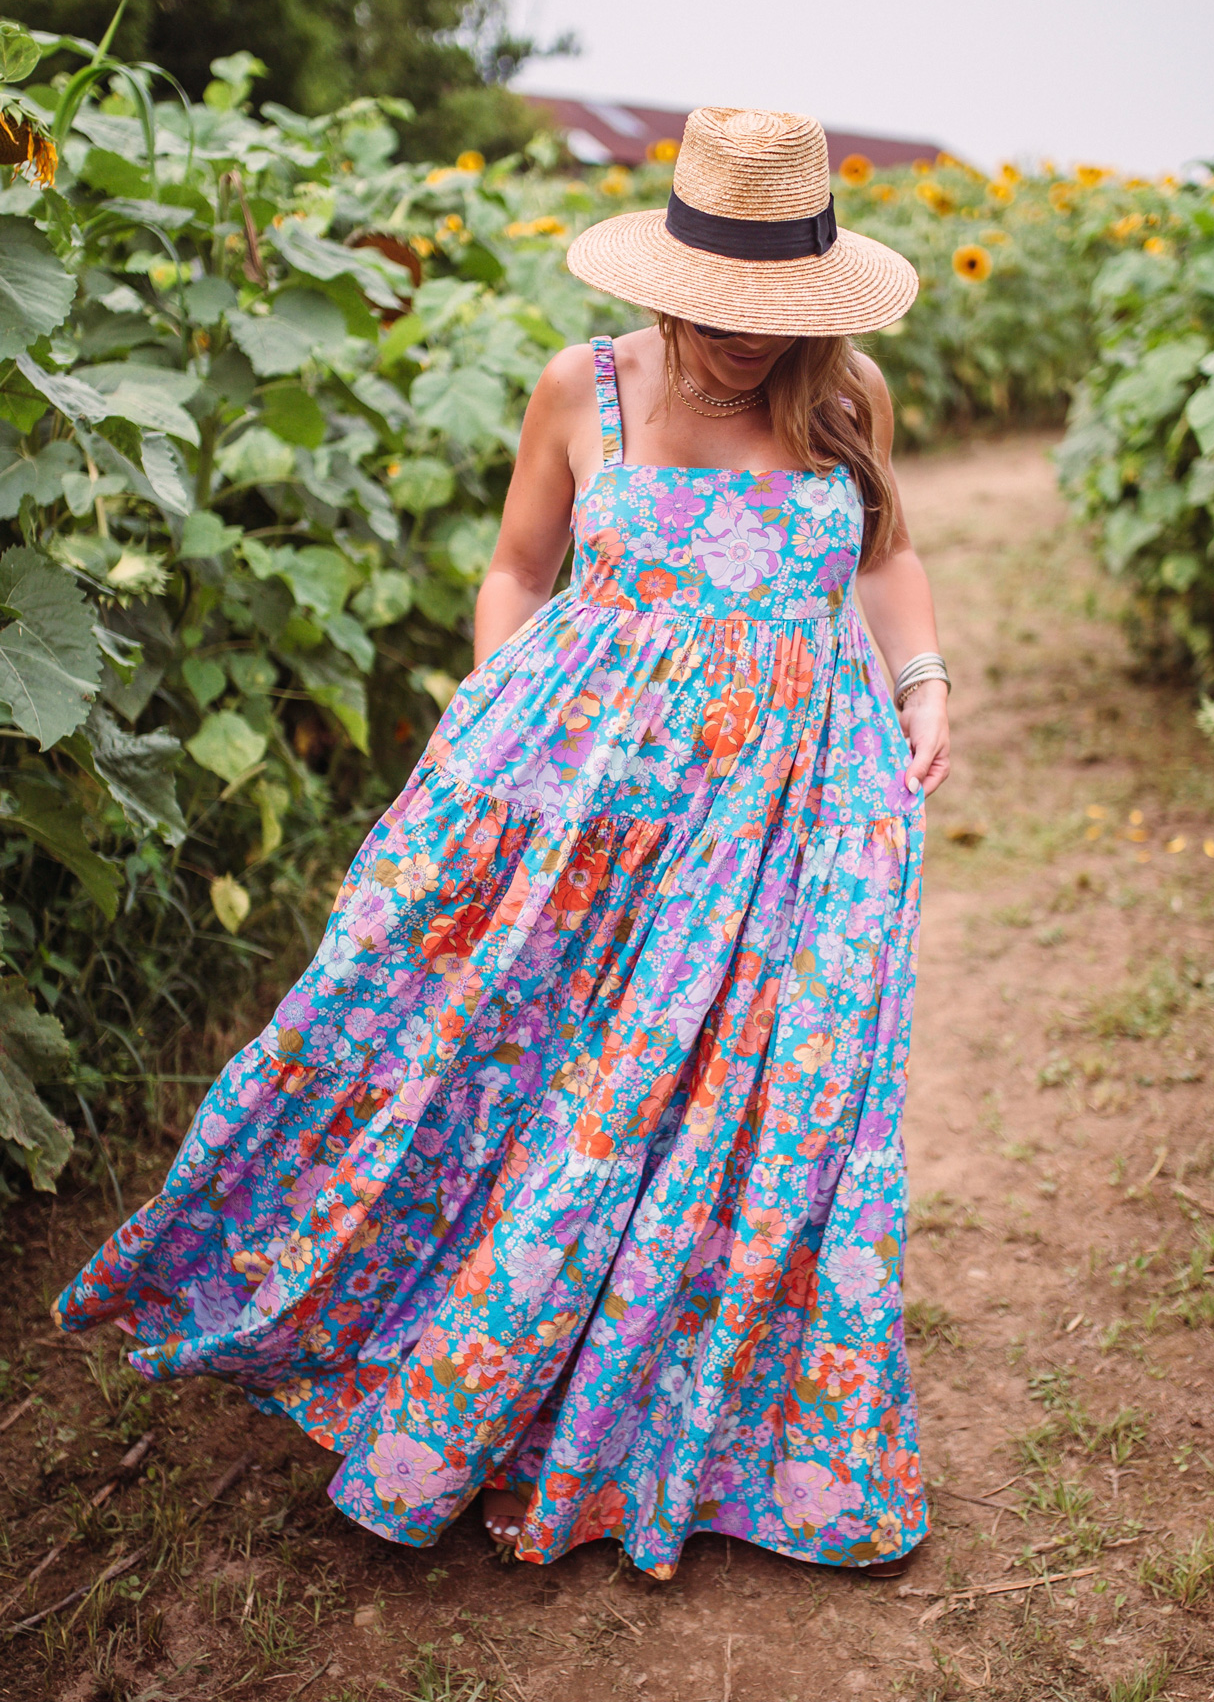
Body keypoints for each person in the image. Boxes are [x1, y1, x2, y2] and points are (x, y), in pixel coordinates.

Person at [54, 106, 951, 1582]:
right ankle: (471, 1345)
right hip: (584, 799)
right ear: (665, 278)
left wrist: (922, 681)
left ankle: (685, 1412)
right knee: (519, 1062)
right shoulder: (579, 391)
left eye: (767, 315)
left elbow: (889, 552)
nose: (740, 341)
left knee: (765, 1101)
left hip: (799, 813)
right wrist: (496, 730)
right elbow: (517, 571)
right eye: (719, 310)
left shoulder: (845, 392)